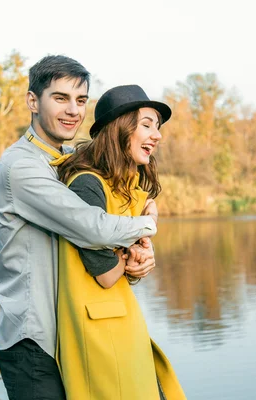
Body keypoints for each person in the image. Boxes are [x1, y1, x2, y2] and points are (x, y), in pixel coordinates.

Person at [0, 57, 159, 400]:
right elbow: (92, 227)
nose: (73, 111)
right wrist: (149, 223)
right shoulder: (20, 166)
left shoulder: (73, 162)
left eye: (80, 101)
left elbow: (98, 246)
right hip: (34, 342)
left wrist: (138, 258)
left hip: (75, 335)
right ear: (33, 101)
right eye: (60, 98)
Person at [55, 85, 187, 399]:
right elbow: (105, 274)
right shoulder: (87, 184)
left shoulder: (124, 187)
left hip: (121, 324)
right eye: (146, 124)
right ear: (119, 129)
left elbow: (123, 267)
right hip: (98, 335)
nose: (156, 135)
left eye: (157, 126)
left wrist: (138, 259)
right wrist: (133, 255)